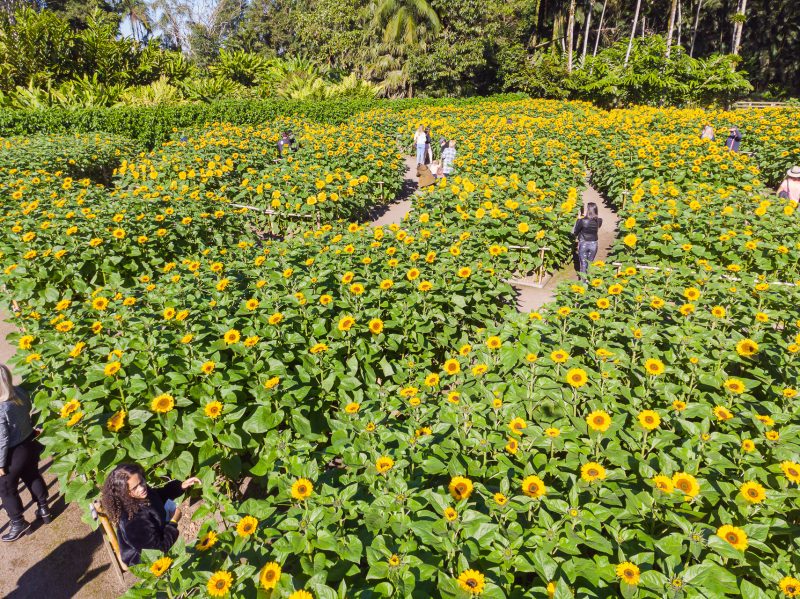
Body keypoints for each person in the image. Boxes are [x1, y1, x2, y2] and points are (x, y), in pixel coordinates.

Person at [101, 463, 201, 566]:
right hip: (146, 562)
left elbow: (159, 495)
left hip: (156, 538)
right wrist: (173, 521)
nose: (142, 488)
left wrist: (181, 486)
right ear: (123, 492)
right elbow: (158, 551)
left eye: (142, 482)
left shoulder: (139, 495)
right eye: (135, 488)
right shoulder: (132, 521)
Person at [0, 364, 50, 542]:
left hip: (12, 453)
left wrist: (1, 464)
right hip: (29, 442)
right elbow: (28, 408)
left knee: (6, 489)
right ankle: (43, 508)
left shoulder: (0, 408)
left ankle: (18, 522)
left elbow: (3, 440)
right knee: (32, 475)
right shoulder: (19, 392)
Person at [572, 202, 603, 276]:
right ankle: (589, 281)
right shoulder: (599, 220)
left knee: (583, 264)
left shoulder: (582, 221)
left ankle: (583, 283)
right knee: (590, 263)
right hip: (594, 244)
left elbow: (575, 232)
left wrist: (578, 220)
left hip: (583, 243)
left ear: (588, 210)